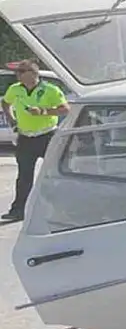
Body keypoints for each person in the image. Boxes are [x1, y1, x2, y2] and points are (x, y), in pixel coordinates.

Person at [2, 60, 69, 222]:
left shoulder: (50, 90)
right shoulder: (15, 89)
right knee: (24, 175)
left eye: (21, 72)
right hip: (25, 137)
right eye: (18, 72)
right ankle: (18, 210)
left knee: (54, 173)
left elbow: (65, 109)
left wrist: (43, 111)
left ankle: (62, 210)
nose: (18, 75)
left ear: (33, 73)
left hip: (47, 136)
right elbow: (5, 102)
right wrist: (12, 119)